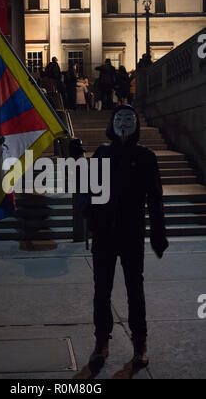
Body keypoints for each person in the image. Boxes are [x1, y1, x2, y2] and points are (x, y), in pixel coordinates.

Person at [70, 105, 169, 376]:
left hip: (131, 233)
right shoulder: (102, 152)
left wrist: (159, 234)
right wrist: (78, 160)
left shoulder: (146, 157)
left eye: (129, 120)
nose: (123, 124)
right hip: (104, 233)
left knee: (134, 289)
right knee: (101, 290)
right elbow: (87, 185)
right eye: (119, 119)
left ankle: (140, 344)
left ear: (135, 125)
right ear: (111, 125)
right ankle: (101, 342)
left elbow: (155, 199)